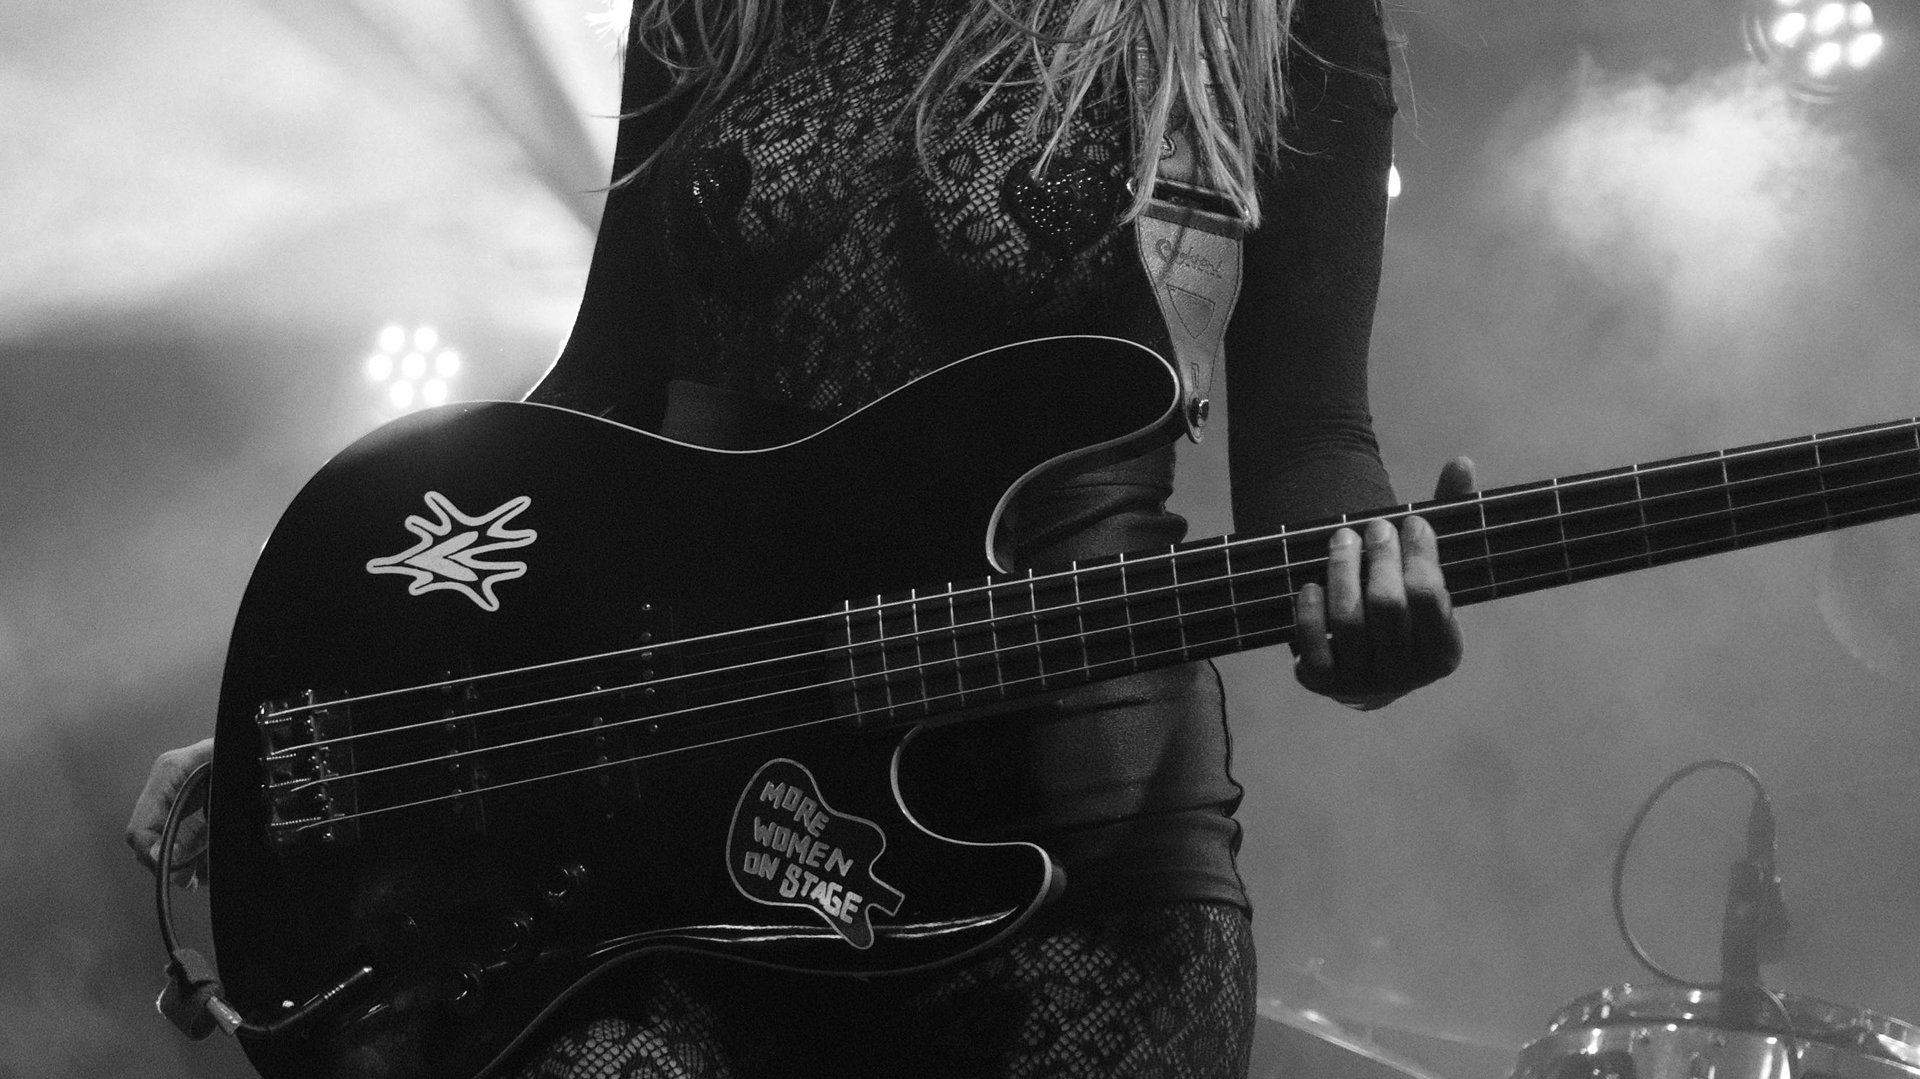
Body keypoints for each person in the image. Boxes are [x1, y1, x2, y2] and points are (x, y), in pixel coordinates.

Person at [128, 0, 1474, 1073]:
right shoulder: (710, 9)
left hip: (1077, 862)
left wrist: (1367, 593)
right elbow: (600, 397)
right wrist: (360, 689)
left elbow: (1311, 443)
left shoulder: (1268, 16)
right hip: (682, 832)